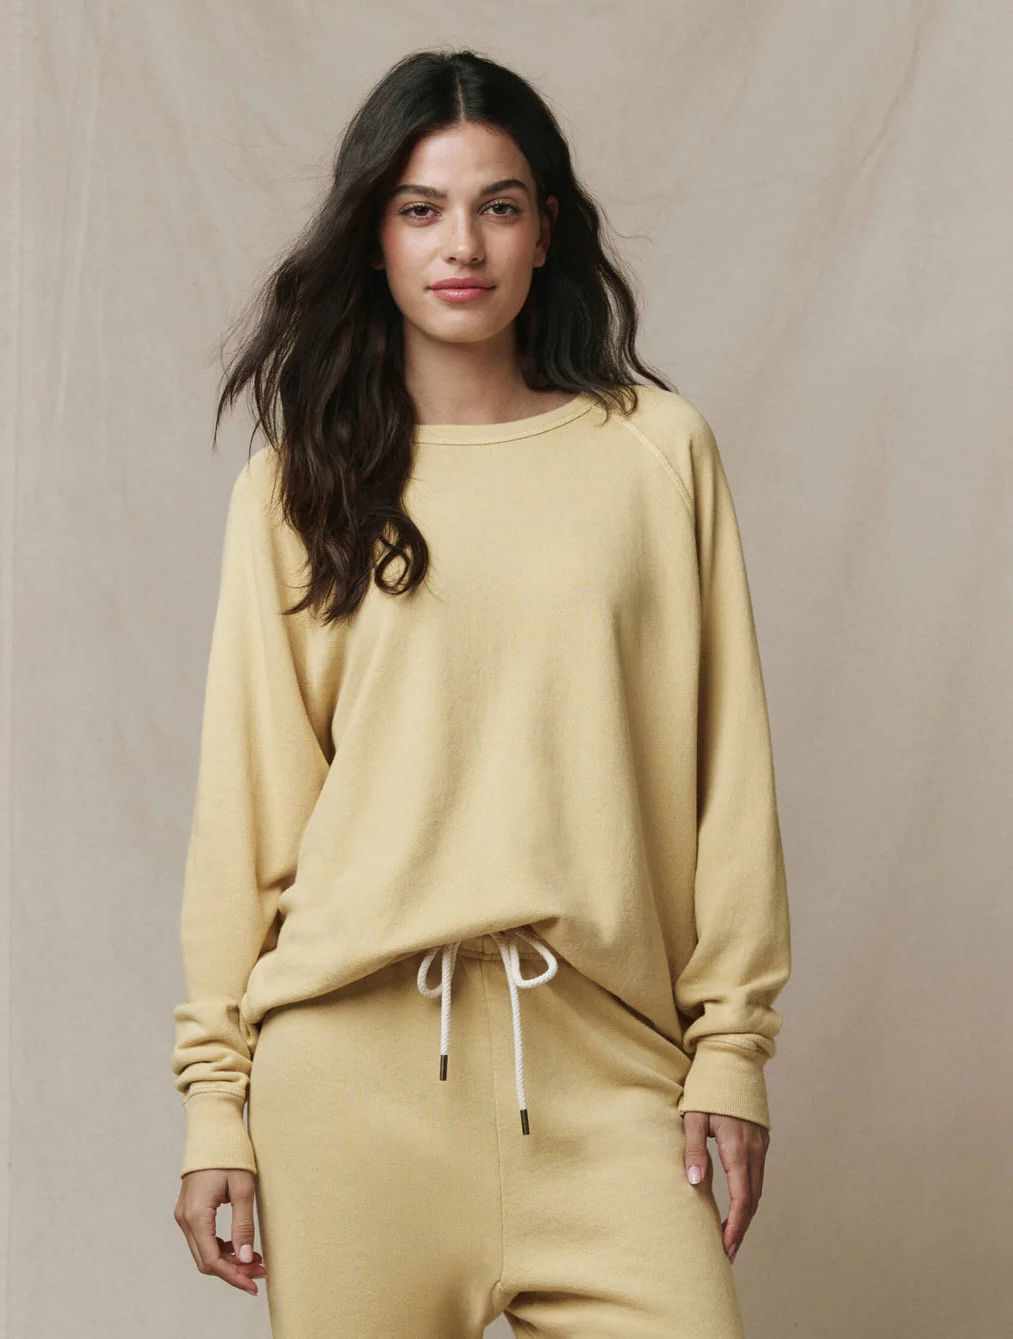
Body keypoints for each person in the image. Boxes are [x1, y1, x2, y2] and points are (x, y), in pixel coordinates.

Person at [170, 45, 791, 1339]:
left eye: (498, 206)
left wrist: (729, 1051)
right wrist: (216, 1101)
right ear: (375, 237)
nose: (463, 244)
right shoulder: (296, 490)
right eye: (421, 209)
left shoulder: (654, 454)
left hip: (607, 1064)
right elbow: (249, 809)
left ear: (546, 230)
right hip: (350, 1081)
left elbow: (726, 778)